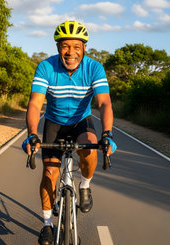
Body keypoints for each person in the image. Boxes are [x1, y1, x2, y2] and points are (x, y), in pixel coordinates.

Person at [22, 20, 117, 245]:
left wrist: (108, 134)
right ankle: (47, 223)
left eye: (76, 46)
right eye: (65, 46)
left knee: (90, 148)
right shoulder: (46, 67)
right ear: (57, 48)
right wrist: (33, 134)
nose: (70, 52)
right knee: (49, 174)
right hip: (54, 122)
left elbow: (104, 103)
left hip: (81, 122)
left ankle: (84, 185)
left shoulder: (94, 68)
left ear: (84, 47)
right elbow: (35, 104)